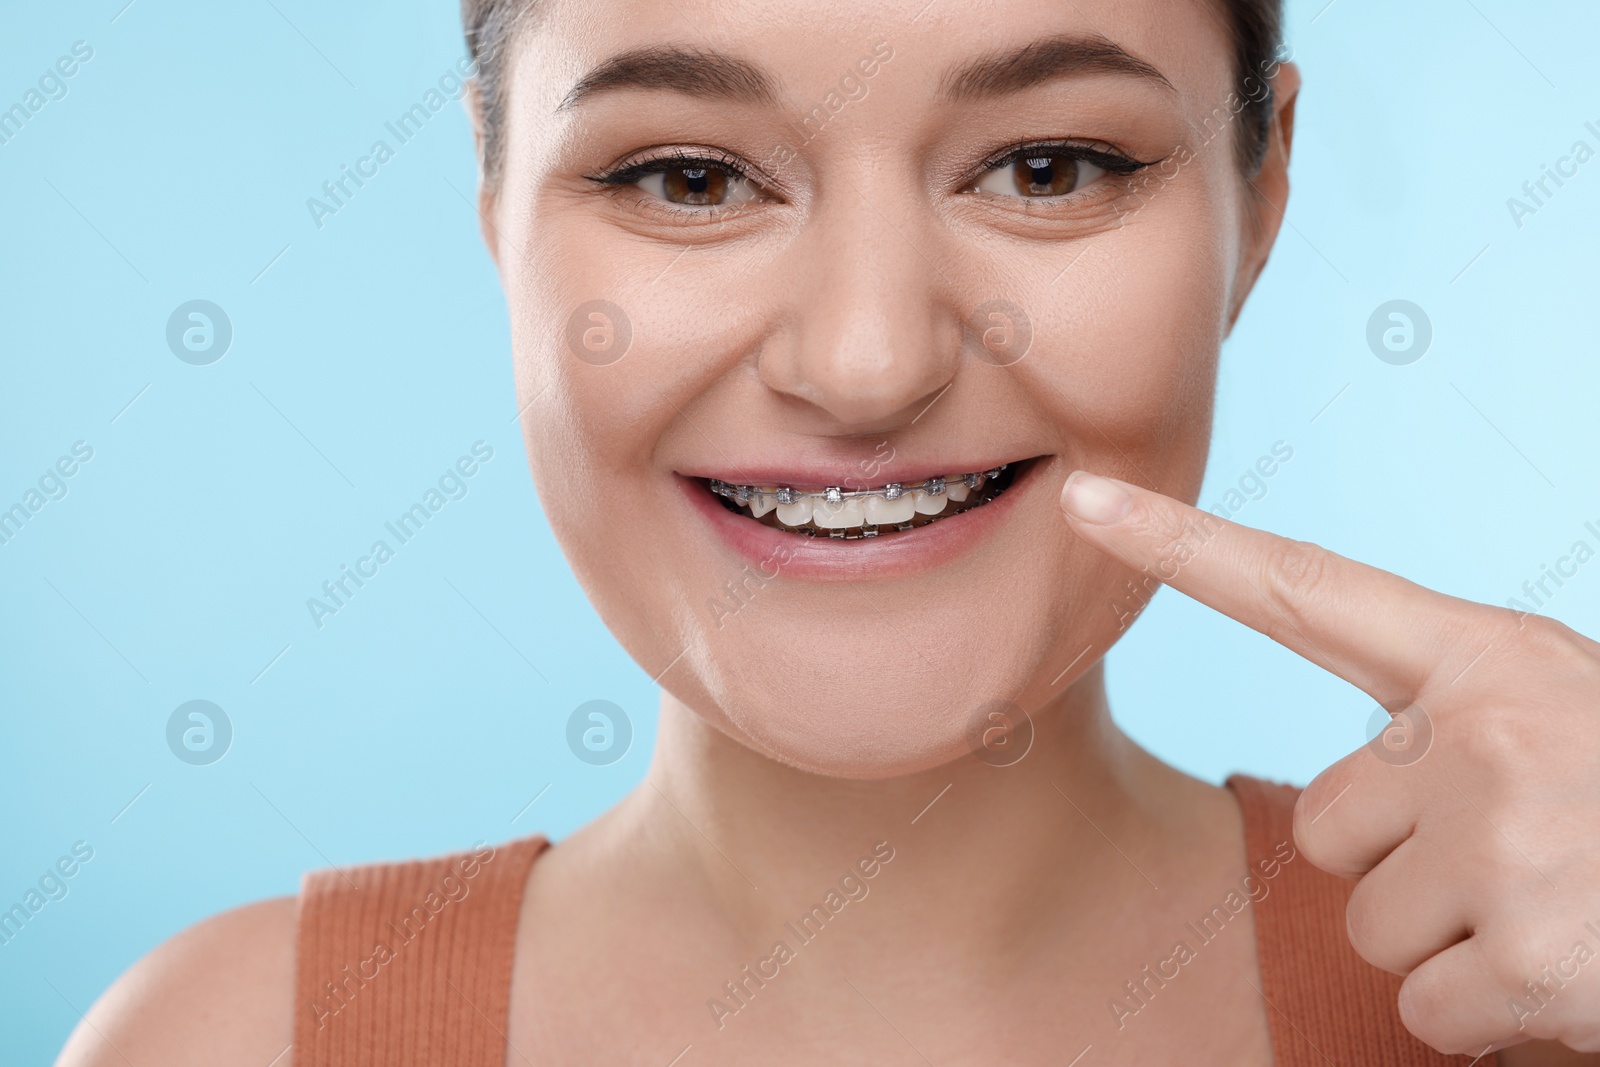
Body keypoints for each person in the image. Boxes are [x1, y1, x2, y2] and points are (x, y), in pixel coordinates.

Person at [55, 0, 1600, 1063]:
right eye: (688, 177)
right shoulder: (240, 1043)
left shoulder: (1524, 1004)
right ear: (494, 201)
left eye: (1047, 168)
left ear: (1260, 199)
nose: (867, 365)